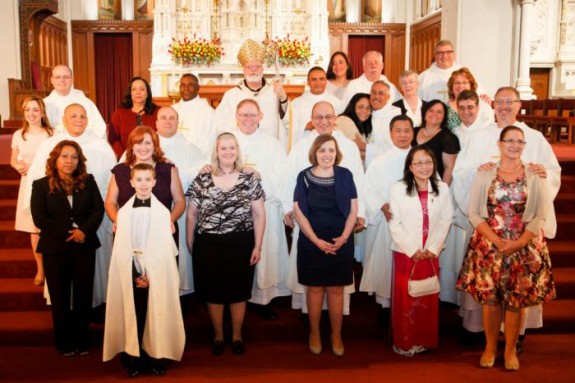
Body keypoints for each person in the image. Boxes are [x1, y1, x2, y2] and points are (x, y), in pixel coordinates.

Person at [452, 86, 561, 351]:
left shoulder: (534, 137)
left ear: (518, 104)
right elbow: (461, 171)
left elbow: (553, 171)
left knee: (519, 284)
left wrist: (542, 173)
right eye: (499, 102)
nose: (503, 106)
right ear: (493, 105)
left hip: (522, 228)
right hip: (489, 228)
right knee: (488, 285)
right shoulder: (479, 137)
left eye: (509, 102)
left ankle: (515, 338)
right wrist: (477, 172)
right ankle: (479, 333)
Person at [25, 103, 116, 309]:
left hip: (91, 222)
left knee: (88, 279)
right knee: (62, 291)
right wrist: (67, 229)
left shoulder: (101, 145)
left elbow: (110, 182)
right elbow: (40, 190)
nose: (78, 120)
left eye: (83, 116)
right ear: (64, 120)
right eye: (73, 116)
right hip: (58, 231)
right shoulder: (51, 144)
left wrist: (87, 226)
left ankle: (96, 302)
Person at [280, 101, 365, 317]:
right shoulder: (301, 147)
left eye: (328, 116)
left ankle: (337, 314)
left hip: (340, 220)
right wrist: (287, 209)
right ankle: (311, 315)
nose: (324, 121)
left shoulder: (348, 146)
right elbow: (289, 179)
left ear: (335, 118)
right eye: (318, 117)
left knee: (337, 277)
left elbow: (359, 181)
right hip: (309, 220)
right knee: (313, 277)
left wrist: (360, 212)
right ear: (311, 119)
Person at [186, 132, 266, 356]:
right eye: (223, 148)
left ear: (237, 151)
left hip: (241, 243)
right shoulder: (202, 178)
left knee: (238, 291)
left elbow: (259, 214)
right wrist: (190, 241)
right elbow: (192, 214)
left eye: (232, 148)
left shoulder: (250, 179)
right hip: (208, 243)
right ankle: (219, 335)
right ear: (216, 152)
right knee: (213, 292)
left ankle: (237, 335)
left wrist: (257, 245)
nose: (228, 152)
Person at [103, 164, 185, 377]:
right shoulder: (123, 214)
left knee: (156, 313)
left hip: (155, 275)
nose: (143, 184)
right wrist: (136, 274)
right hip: (133, 274)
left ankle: (157, 357)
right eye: (138, 180)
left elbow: (163, 250)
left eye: (148, 179)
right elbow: (122, 250)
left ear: (155, 182)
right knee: (135, 314)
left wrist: (149, 274)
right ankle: (134, 359)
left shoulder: (162, 213)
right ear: (131, 183)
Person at [30, 140, 104, 356]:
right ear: (56, 158)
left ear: (79, 160)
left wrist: (84, 231)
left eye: (74, 156)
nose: (69, 160)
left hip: (84, 247)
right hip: (55, 249)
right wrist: (70, 233)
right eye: (65, 156)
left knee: (83, 295)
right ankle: (64, 343)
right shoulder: (41, 185)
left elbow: (97, 210)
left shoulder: (88, 181)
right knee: (60, 299)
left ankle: (82, 341)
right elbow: (40, 218)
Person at [293, 134, 358, 357]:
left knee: (336, 290)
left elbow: (353, 210)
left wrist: (344, 237)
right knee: (314, 290)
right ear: (315, 153)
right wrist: (316, 241)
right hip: (312, 242)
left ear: (336, 153)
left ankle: (336, 335)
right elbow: (299, 212)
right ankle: (315, 333)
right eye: (322, 150)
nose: (327, 155)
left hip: (340, 241)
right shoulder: (304, 176)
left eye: (331, 150)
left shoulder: (345, 175)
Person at [388, 146, 452, 356]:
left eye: (428, 162)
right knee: (405, 298)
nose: (424, 167)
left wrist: (433, 248)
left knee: (427, 295)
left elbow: (445, 220)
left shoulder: (442, 188)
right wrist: (412, 249)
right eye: (419, 163)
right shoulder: (398, 188)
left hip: (431, 252)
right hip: (406, 251)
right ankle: (405, 341)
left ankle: (424, 338)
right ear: (410, 166)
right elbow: (394, 223)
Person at [232, 99, 290, 320]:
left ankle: (262, 298)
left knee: (264, 251)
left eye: (252, 115)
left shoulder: (272, 143)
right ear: (236, 116)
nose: (248, 119)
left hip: (265, 204)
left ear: (260, 116)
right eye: (244, 115)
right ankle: (237, 297)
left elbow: (282, 174)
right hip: (234, 210)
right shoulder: (228, 139)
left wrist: (260, 175)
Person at [360, 115, 414, 311]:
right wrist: (382, 205)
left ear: (413, 132)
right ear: (390, 134)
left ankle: (409, 304)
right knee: (386, 265)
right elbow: (368, 188)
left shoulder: (421, 158)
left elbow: (434, 186)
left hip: (414, 225)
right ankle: (386, 306)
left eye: (406, 130)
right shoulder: (380, 162)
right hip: (387, 222)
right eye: (398, 130)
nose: (402, 135)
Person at [154, 106, 205, 298]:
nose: (168, 121)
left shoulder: (191, 148)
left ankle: (183, 291)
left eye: (172, 118)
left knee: (182, 251)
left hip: (181, 209)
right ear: (156, 123)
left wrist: (177, 172)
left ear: (178, 123)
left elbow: (202, 176)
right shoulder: (143, 144)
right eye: (163, 118)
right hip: (152, 209)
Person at [10, 96, 54, 285]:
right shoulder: (19, 134)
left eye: (35, 109)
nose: (31, 114)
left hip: (48, 183)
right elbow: (13, 160)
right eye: (28, 110)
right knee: (33, 229)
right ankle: (40, 269)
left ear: (42, 112)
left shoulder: (51, 134)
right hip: (28, 183)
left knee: (49, 226)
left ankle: (53, 266)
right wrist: (17, 166)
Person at [215, 39, 289, 146]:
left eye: (257, 66)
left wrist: (283, 98)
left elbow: (288, 122)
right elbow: (220, 125)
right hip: (240, 149)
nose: (253, 70)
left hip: (268, 148)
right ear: (243, 70)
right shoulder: (231, 95)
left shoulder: (274, 93)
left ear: (263, 69)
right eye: (249, 67)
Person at [44, 65, 107, 138]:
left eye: (66, 77)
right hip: (57, 145)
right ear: (52, 80)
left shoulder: (84, 101)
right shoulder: (44, 104)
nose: (62, 80)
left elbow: (99, 127)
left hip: (83, 144)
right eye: (57, 77)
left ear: (72, 80)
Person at [418, 40, 488, 103]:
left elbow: (480, 97)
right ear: (435, 55)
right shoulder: (423, 77)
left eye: (448, 52)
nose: (444, 56)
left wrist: (485, 98)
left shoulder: (464, 75)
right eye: (440, 53)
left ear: (454, 54)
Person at [108, 77, 160, 158]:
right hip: (127, 159)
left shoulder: (158, 112)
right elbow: (113, 139)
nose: (138, 92)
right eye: (134, 89)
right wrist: (125, 155)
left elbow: (162, 136)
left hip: (153, 158)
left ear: (147, 93)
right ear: (130, 93)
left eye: (142, 89)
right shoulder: (119, 113)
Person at [291, 67, 342, 148]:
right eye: (314, 79)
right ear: (308, 82)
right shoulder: (297, 103)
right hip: (306, 146)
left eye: (321, 79)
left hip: (330, 145)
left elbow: (340, 127)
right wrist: (306, 126)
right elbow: (291, 128)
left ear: (326, 81)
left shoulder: (336, 102)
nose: (318, 82)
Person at [412, 100, 460, 185]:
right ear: (424, 114)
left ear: (444, 117)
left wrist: (442, 192)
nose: (434, 114)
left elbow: (449, 168)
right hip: (411, 183)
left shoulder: (448, 138)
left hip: (434, 186)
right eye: (431, 110)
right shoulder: (413, 132)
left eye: (439, 112)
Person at [172, 73, 217, 157]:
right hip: (173, 159)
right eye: (182, 85)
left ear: (198, 88)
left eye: (190, 85)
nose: (186, 88)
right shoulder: (172, 110)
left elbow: (212, 141)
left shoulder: (208, 112)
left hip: (198, 162)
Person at [366, 81, 401, 165]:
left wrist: (366, 148)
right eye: (373, 93)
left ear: (388, 97)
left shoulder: (395, 116)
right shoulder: (365, 113)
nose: (376, 97)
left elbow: (392, 148)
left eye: (381, 93)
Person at [335, 92, 372, 159]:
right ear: (352, 107)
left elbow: (361, 152)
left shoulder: (363, 125)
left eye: (368, 108)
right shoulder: (344, 120)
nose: (364, 110)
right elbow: (360, 146)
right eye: (360, 107)